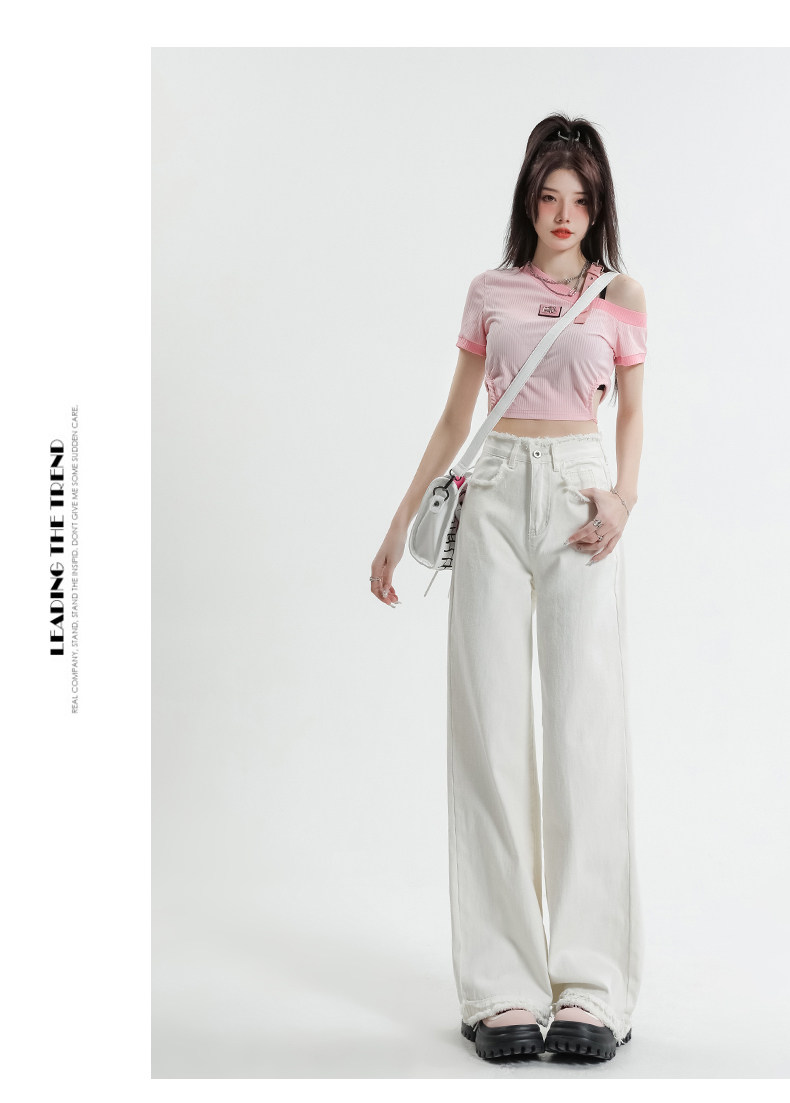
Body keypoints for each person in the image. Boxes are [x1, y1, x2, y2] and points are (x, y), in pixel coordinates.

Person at [369, 114, 646, 1063]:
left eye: (581, 200)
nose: (564, 215)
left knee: (583, 734)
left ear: (598, 209)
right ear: (528, 201)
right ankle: (501, 988)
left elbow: (634, 415)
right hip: (489, 498)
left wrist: (624, 499)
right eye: (549, 197)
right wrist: (397, 529)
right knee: (490, 733)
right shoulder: (489, 292)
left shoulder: (619, 295)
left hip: (579, 501)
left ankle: (593, 986)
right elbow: (455, 417)